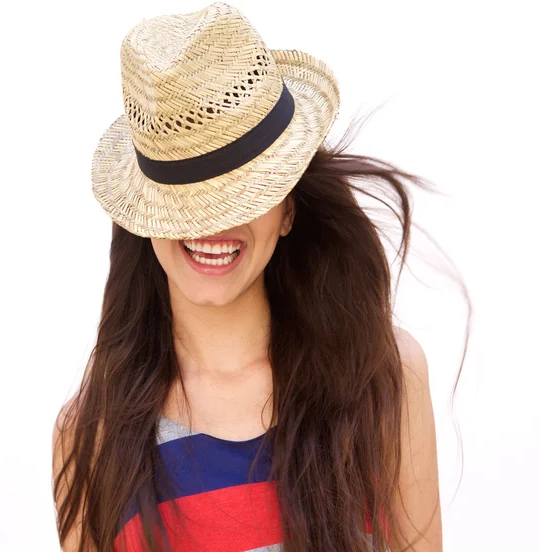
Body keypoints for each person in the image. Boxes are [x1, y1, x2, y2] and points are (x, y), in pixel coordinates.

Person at [52, 2, 467, 551]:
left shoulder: (383, 376)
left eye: (245, 193)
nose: (216, 223)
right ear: (146, 218)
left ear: (288, 209)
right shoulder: (91, 434)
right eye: (188, 200)